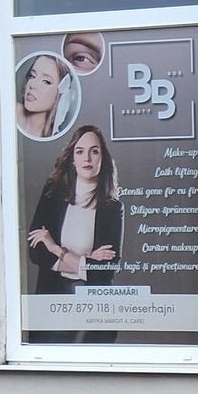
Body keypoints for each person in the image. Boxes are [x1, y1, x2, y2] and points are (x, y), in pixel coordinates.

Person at [25, 125, 121, 297]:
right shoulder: (52, 193)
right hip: (52, 293)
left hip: (93, 299)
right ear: (73, 159)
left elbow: (105, 272)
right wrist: (86, 263)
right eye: (80, 151)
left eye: (94, 151)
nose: (87, 158)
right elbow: (36, 252)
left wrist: (56, 249)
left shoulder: (112, 208)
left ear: (103, 158)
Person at [14, 52, 71, 139]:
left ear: (60, 95)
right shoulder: (8, 111)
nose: (32, 85)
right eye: (32, 76)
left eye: (46, 81)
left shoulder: (51, 138)